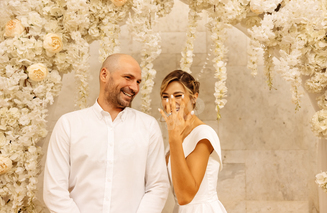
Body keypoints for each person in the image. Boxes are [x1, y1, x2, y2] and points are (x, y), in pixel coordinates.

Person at [43, 53, 169, 213]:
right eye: (128, 78)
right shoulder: (69, 124)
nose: (135, 87)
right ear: (104, 74)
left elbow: (158, 186)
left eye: (138, 81)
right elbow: (54, 191)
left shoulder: (148, 126)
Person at [158, 70, 227, 213]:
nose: (171, 102)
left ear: (194, 98)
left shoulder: (203, 135)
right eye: (165, 96)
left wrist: (174, 137)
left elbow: (185, 195)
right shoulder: (175, 136)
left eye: (178, 95)